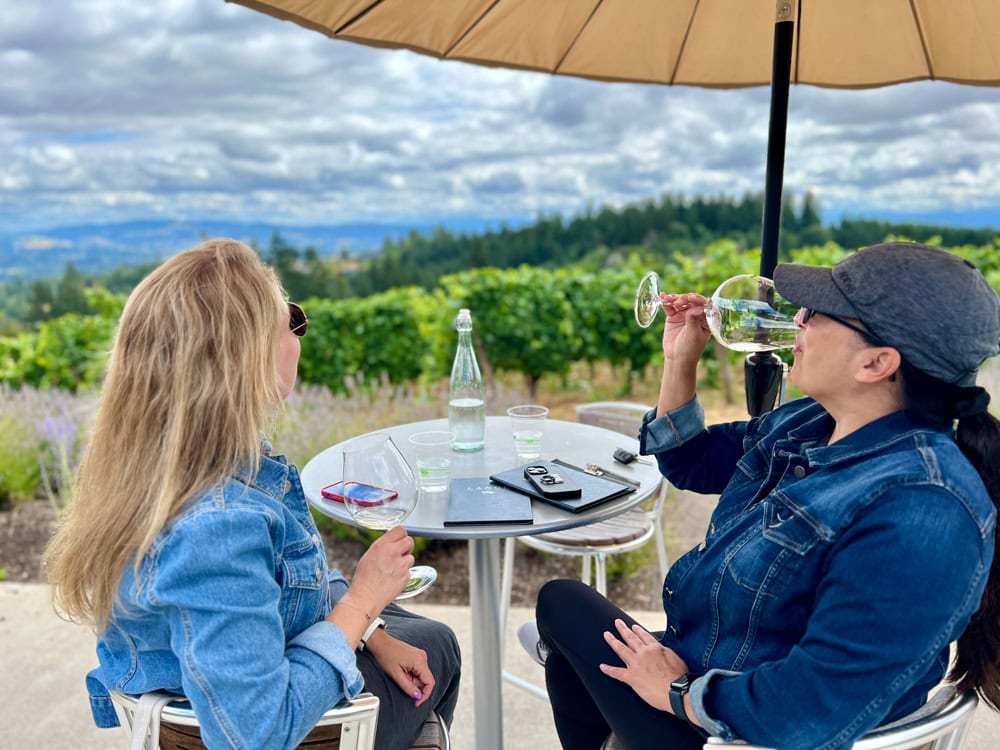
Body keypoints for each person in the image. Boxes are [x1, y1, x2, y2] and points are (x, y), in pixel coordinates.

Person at [528, 242, 1000, 750]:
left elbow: (810, 707)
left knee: (566, 610)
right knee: (569, 643)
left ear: (877, 362)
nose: (796, 320)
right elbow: (692, 462)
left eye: (817, 314)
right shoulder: (809, 423)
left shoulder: (923, 507)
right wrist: (679, 360)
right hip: (719, 669)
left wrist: (676, 692)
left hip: (749, 735)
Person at [45, 239, 460, 750]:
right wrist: (362, 600)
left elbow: (292, 582)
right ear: (245, 356)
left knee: (406, 634)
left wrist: (372, 628)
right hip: (289, 730)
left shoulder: (157, 464)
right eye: (290, 318)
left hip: (223, 676)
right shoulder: (217, 526)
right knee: (439, 647)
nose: (299, 333)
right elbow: (255, 734)